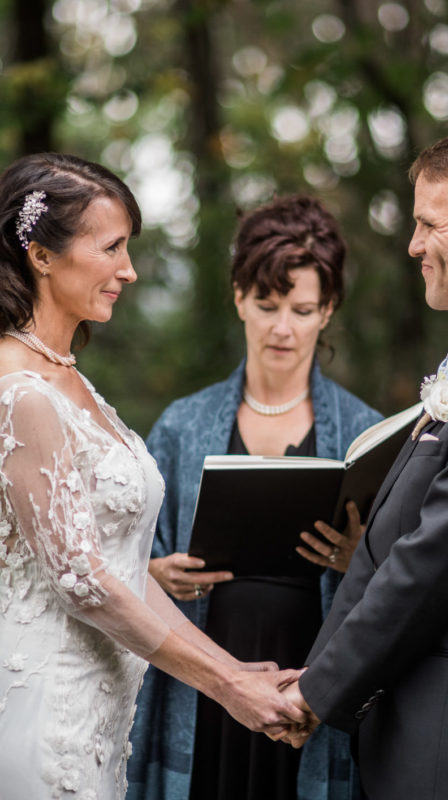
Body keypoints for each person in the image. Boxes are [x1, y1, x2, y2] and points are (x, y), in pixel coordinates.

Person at [0, 153, 308, 800]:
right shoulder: (21, 393)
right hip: (43, 710)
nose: (129, 270)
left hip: (103, 715)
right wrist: (228, 687)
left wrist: (237, 668)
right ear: (41, 254)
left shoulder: (70, 380)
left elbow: (124, 561)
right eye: (112, 247)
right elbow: (85, 583)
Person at [127, 195, 382, 800]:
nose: (283, 328)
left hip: (311, 678)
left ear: (328, 310)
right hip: (206, 675)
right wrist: (158, 571)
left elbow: (402, 579)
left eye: (302, 308)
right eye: (266, 306)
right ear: (239, 298)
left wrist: (359, 557)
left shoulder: (366, 429)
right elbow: (124, 562)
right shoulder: (181, 425)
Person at [278, 122, 448, 800]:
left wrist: (316, 690)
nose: (413, 246)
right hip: (417, 714)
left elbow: (434, 558)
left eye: (431, 226)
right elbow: (400, 545)